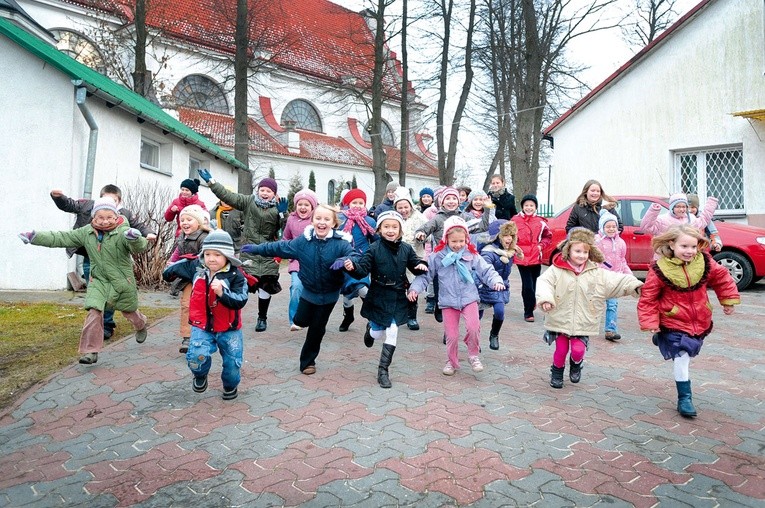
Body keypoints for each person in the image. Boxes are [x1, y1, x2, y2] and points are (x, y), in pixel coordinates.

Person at [19, 197, 150, 364]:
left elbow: (140, 246)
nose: (105, 221)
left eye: (109, 217)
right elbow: (61, 238)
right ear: (93, 217)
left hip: (122, 282)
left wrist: (135, 238)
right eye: (100, 217)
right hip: (99, 280)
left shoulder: (123, 232)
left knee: (129, 310)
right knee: (94, 311)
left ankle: (141, 324)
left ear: (116, 217)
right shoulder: (86, 232)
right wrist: (35, 237)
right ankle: (90, 351)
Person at [241, 204, 359, 375]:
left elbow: (355, 255)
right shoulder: (303, 241)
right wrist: (258, 249)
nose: (322, 222)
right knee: (301, 319)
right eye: (318, 218)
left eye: (326, 219)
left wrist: (346, 259)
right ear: (312, 221)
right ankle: (300, 320)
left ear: (334, 223)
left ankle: (307, 362)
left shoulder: (341, 243)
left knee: (317, 329)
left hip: (330, 294)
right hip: (309, 292)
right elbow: (279, 247)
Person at [637, 225, 739, 417]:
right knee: (682, 356)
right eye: (684, 246)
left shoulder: (704, 262)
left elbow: (722, 279)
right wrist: (650, 322)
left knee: (691, 349)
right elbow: (648, 297)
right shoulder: (660, 269)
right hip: (673, 319)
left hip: (700, 318)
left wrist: (728, 300)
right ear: (672, 244)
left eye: (693, 246)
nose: (689, 251)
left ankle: (662, 340)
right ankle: (685, 398)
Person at [536, 228, 643, 389]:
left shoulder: (596, 273)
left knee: (578, 350)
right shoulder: (556, 269)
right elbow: (544, 283)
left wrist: (635, 285)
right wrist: (546, 299)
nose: (581, 255)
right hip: (559, 318)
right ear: (568, 250)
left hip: (583, 320)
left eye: (585, 252)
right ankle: (557, 372)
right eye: (577, 251)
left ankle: (576, 363)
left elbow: (616, 281)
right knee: (561, 349)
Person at [49, 184, 155, 338]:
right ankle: (95, 330)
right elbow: (69, 204)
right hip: (91, 258)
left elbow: (138, 226)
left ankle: (107, 324)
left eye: (114, 200)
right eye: (106, 199)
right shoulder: (87, 206)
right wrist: (58, 197)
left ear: (119, 201)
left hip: (114, 262)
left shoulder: (123, 215)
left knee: (113, 295)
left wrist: (149, 233)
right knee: (97, 293)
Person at [409, 217, 505, 376]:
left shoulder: (471, 254)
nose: (458, 245)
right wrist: (415, 289)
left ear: (466, 239)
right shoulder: (437, 256)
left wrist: (496, 281)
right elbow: (425, 276)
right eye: (454, 241)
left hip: (469, 298)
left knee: (474, 328)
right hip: (448, 301)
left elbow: (486, 270)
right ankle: (451, 361)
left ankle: (473, 355)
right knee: (452, 336)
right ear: (446, 239)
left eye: (461, 241)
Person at [198, 170, 289, 332]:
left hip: (268, 252)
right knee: (241, 284)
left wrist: (283, 213)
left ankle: (262, 318)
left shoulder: (277, 208)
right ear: (258, 191)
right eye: (262, 190)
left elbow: (285, 229)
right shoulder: (248, 201)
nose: (265, 193)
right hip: (250, 251)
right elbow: (228, 196)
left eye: (269, 191)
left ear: (274, 193)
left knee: (265, 286)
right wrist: (212, 182)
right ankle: (230, 317)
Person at [345, 210, 428, 388]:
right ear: (379, 229)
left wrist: (422, 266)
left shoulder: (406, 248)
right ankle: (370, 330)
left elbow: (415, 266)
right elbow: (362, 270)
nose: (390, 230)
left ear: (400, 230)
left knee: (392, 330)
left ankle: (383, 371)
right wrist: (352, 267)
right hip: (378, 295)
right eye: (386, 227)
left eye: (394, 227)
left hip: (398, 295)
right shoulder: (373, 248)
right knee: (377, 333)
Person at [414, 186, 494, 324]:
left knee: (461, 286)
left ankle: (460, 311)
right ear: (442, 202)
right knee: (442, 287)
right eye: (448, 198)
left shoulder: (464, 217)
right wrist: (420, 235)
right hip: (443, 259)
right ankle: (440, 305)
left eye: (454, 198)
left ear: (459, 201)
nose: (451, 201)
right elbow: (423, 230)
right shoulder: (438, 219)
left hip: (462, 258)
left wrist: (487, 208)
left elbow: (483, 226)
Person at [186, 230, 249, 400]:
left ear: (227, 256)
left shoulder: (236, 276)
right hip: (202, 325)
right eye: (207, 254)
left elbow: (241, 300)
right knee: (196, 355)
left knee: (232, 363)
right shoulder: (198, 271)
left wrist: (222, 293)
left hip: (229, 328)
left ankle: (230, 386)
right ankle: (200, 374)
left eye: (217, 255)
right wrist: (169, 271)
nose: (211, 259)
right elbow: (177, 269)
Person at [166, 205, 211, 353]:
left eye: (189, 219)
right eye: (182, 220)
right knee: (186, 304)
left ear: (198, 222)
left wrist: (192, 261)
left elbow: (206, 257)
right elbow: (178, 252)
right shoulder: (182, 237)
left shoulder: (204, 237)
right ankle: (187, 337)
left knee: (203, 305)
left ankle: (205, 332)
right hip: (187, 278)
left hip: (203, 277)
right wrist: (172, 264)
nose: (185, 222)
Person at [475, 220, 523, 351]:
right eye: (505, 235)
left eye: (512, 236)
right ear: (497, 236)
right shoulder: (488, 252)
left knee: (500, 312)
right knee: (476, 316)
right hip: (483, 286)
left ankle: (494, 335)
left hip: (500, 286)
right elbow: (485, 269)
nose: (509, 239)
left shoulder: (509, 251)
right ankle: (475, 340)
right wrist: (493, 281)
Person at [337, 188, 377, 332]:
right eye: (354, 202)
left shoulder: (369, 221)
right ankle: (348, 316)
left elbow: (376, 239)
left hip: (362, 260)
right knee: (347, 292)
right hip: (344, 259)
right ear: (347, 203)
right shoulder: (341, 219)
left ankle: (372, 318)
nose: (358, 205)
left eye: (361, 202)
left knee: (361, 287)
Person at [511, 194, 552, 323]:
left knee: (534, 285)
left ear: (535, 207)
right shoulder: (514, 220)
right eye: (526, 205)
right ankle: (528, 311)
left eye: (531, 205)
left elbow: (547, 237)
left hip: (535, 257)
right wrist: (514, 247)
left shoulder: (541, 222)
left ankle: (532, 301)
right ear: (522, 207)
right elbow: (508, 236)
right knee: (527, 285)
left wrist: (541, 246)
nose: (529, 208)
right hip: (521, 256)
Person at [282, 188, 319, 331]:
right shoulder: (291, 219)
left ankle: (314, 317)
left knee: (313, 291)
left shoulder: (317, 219)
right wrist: (284, 253)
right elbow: (286, 238)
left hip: (315, 262)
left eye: (306, 205)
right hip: (297, 260)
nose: (303, 207)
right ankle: (295, 319)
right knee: (296, 288)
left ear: (312, 207)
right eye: (300, 204)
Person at [640, 192, 718, 260]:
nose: (681, 209)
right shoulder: (662, 219)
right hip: (665, 260)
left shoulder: (691, 219)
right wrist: (654, 211)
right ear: (672, 208)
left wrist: (711, 203)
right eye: (678, 207)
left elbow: (704, 220)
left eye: (684, 207)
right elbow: (646, 227)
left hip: (685, 259)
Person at [394, 188, 428, 330]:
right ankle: (399, 314)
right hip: (396, 258)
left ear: (410, 206)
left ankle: (412, 316)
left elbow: (429, 232)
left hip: (415, 257)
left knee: (413, 288)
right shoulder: (392, 218)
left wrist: (422, 236)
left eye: (405, 207)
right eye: (400, 207)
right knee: (398, 288)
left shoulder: (419, 217)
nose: (403, 210)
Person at [596, 210, 632, 342]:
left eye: (613, 226)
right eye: (608, 226)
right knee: (595, 304)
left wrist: (628, 275)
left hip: (614, 280)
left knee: (612, 305)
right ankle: (587, 326)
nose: (611, 229)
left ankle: (610, 330)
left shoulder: (621, 242)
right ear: (602, 227)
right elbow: (594, 259)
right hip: (600, 279)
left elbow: (623, 260)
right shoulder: (597, 241)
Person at [209, 187, 245, 254]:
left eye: (228, 198)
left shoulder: (240, 211)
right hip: (218, 248)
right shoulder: (212, 212)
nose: (226, 201)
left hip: (236, 248)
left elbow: (247, 224)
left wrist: (243, 227)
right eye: (223, 198)